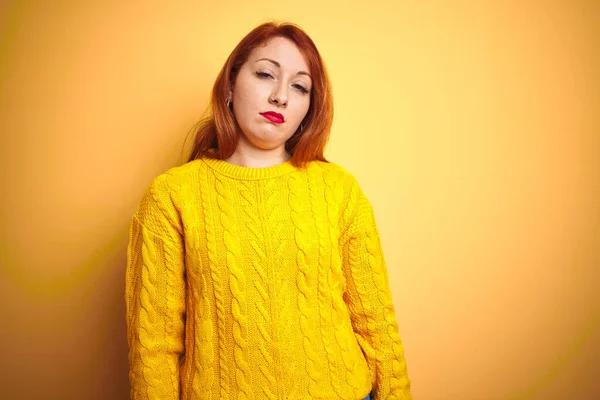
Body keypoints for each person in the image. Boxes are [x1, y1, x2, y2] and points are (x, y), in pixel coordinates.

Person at [125, 21, 411, 400]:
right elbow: (154, 345)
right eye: (265, 74)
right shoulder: (171, 196)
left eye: (299, 86)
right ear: (229, 86)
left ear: (309, 107)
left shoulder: (339, 190)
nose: (280, 96)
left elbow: (375, 321)